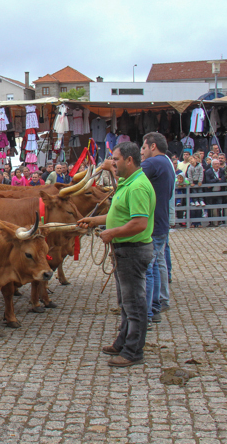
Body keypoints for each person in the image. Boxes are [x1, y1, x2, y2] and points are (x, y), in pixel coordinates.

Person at [78, 142, 155, 367]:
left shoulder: (137, 187)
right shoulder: (128, 183)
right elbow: (118, 215)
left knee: (134, 302)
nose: (112, 163)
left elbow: (139, 223)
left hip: (132, 249)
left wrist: (112, 233)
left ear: (129, 160)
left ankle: (133, 351)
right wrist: (95, 220)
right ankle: (123, 341)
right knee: (126, 301)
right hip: (125, 249)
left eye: (116, 159)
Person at [139, 132, 175, 328]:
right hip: (162, 221)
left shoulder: (153, 163)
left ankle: (150, 311)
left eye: (143, 148)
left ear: (153, 147)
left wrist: (112, 166)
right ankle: (162, 301)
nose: (141, 153)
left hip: (152, 223)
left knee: (149, 267)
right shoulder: (167, 163)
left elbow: (130, 174)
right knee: (159, 262)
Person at [204, 158, 226, 226]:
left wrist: (215, 180)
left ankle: (219, 221)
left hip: (219, 191)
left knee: (219, 206)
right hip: (211, 192)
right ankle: (211, 222)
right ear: (212, 165)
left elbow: (223, 180)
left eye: (218, 164)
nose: (217, 165)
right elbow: (208, 181)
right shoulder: (208, 172)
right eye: (215, 164)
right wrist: (217, 179)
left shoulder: (222, 170)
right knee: (211, 207)